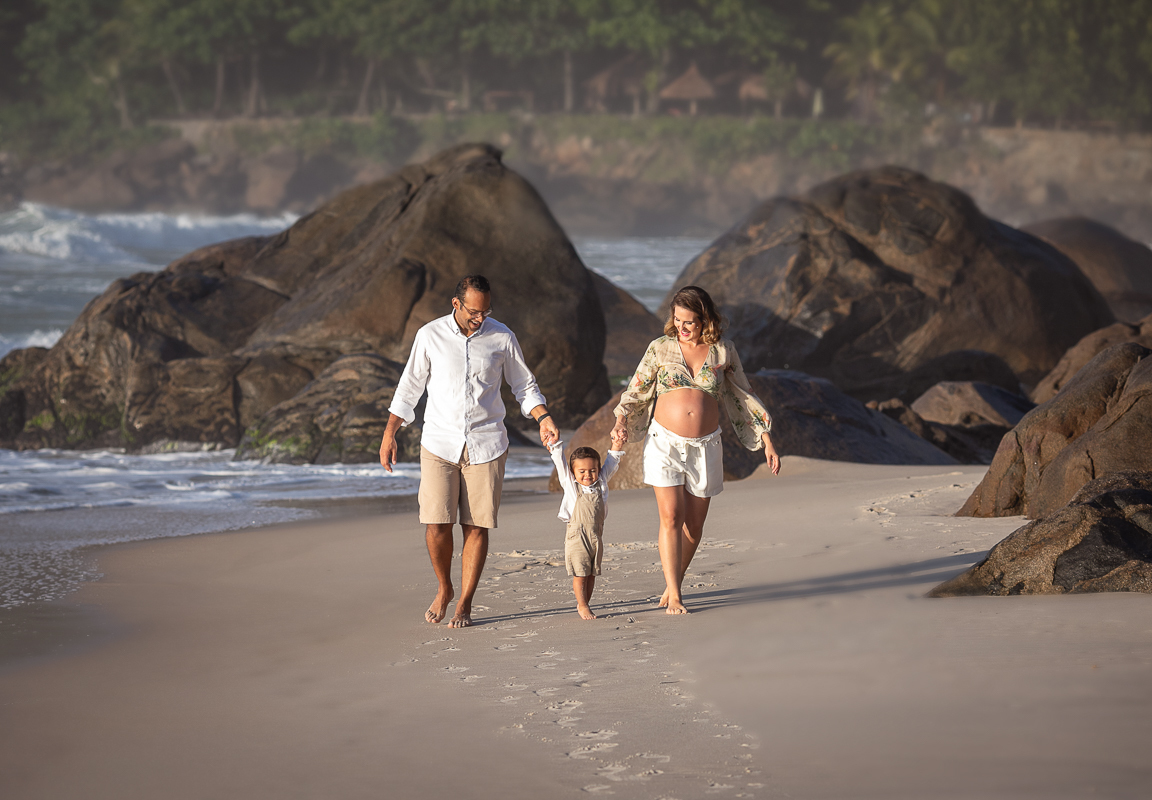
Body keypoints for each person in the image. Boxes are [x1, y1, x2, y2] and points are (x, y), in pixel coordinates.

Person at [379, 274, 559, 628]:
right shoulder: (429, 335)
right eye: (474, 312)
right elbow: (409, 386)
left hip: (487, 443)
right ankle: (444, 587)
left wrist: (543, 417)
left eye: (485, 311)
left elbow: (524, 385)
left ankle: (464, 602)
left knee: (476, 526)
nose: (480, 318)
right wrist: (389, 434)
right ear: (456, 304)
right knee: (436, 524)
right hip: (439, 443)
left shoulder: (502, 336)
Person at [611, 285, 779, 615]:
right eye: (677, 320)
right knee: (671, 516)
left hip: (706, 446)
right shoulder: (660, 348)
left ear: (705, 320)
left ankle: (674, 580)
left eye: (689, 321)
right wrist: (620, 420)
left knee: (694, 527)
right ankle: (675, 594)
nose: (682, 327)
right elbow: (637, 389)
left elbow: (743, 393)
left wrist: (766, 438)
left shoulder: (723, 351)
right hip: (664, 442)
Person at [549, 429, 626, 620]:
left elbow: (612, 462)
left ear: (598, 470)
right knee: (580, 573)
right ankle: (582, 605)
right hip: (577, 536)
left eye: (592, 470)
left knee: (592, 573)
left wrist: (617, 444)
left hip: (596, 535)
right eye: (582, 471)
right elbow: (560, 463)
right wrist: (555, 444)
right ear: (573, 472)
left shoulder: (601, 482)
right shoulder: (571, 485)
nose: (588, 475)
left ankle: (585, 603)